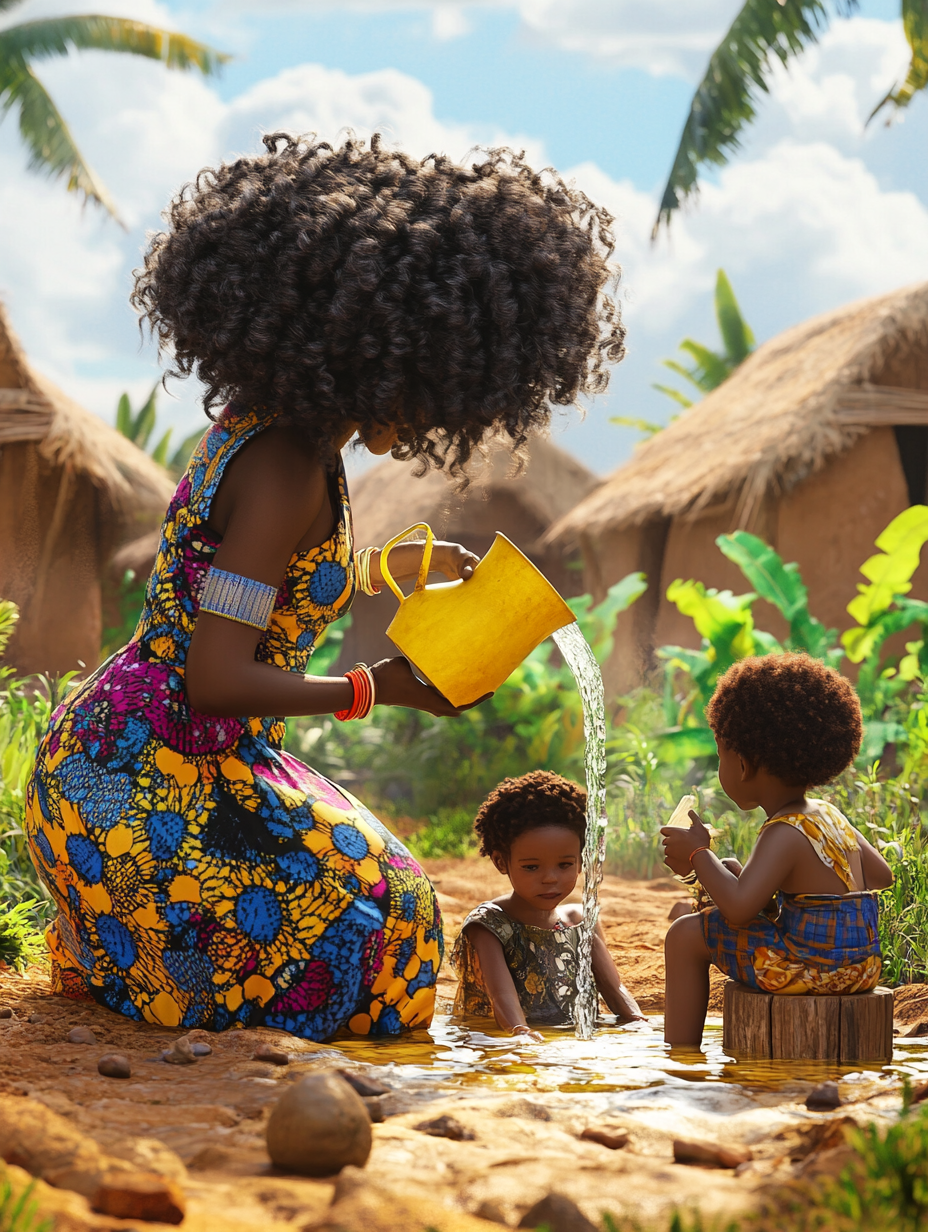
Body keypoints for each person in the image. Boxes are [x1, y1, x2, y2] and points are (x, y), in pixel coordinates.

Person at [24, 133, 625, 1041]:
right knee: (394, 925)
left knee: (391, 908)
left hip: (138, 751)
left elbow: (257, 581)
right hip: (145, 777)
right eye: (435, 384)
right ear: (386, 352)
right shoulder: (287, 466)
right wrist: (378, 688)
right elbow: (215, 677)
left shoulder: (272, 434)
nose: (435, 418)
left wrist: (394, 570)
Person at [661, 653, 894, 1048]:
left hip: (812, 971)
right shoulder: (828, 814)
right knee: (734, 868)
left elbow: (738, 909)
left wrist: (699, 854)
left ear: (743, 764)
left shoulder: (783, 832)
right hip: (862, 968)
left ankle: (680, 1053)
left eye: (720, 756)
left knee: (684, 935)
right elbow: (881, 875)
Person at [451, 771, 644, 1039]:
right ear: (500, 862)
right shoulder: (489, 925)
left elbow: (615, 990)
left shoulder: (578, 921)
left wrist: (639, 1023)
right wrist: (520, 1034)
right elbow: (501, 995)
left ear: (581, 860)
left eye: (565, 865)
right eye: (531, 867)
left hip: (568, 1043)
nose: (550, 878)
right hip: (497, 1041)